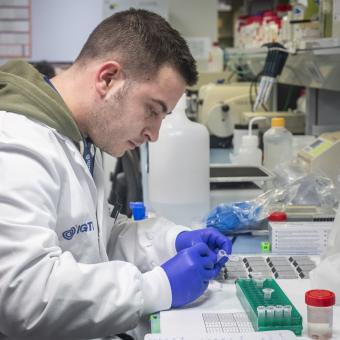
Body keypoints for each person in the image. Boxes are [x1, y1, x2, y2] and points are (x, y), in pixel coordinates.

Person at [0, 9, 232, 340]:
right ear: (108, 79)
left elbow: (95, 237)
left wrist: (172, 241)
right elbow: (24, 296)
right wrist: (156, 288)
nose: (154, 134)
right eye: (153, 110)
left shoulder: (79, 137)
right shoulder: (17, 145)